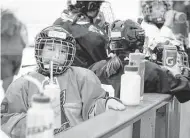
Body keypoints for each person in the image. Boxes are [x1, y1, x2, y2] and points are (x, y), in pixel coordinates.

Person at [1, 25, 125, 138]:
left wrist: (106, 104)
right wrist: (33, 123)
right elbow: (7, 119)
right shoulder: (23, 85)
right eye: (51, 49)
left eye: (63, 51)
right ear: (40, 50)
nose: (56, 56)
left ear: (69, 55)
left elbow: (94, 104)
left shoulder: (82, 77)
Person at [89, 19, 190, 103]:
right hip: (131, 124)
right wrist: (177, 74)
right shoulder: (149, 69)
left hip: (104, 124)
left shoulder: (96, 67)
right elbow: (186, 90)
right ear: (139, 42)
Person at [53, 0, 109, 68]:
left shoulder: (59, 22)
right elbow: (104, 67)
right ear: (91, 7)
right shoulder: (95, 35)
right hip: (84, 76)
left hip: (61, 73)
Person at [1, 9, 28, 93]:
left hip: (4, 55)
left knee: (7, 79)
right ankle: (10, 99)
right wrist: (21, 47)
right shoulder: (20, 24)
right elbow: (25, 38)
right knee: (10, 78)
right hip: (18, 54)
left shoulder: (2, 24)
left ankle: (8, 100)